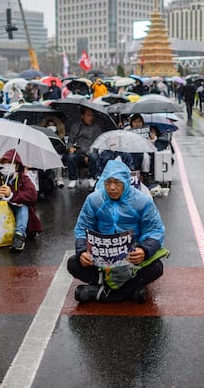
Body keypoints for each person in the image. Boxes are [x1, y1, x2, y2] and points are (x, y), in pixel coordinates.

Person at [67, 159, 166, 303]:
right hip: (101, 258)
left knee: (157, 267)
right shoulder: (93, 200)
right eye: (108, 182)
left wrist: (144, 251)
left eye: (117, 183)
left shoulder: (142, 201)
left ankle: (103, 292)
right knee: (74, 263)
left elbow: (155, 230)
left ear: (126, 183)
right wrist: (83, 252)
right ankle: (129, 291)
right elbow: (83, 228)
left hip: (131, 260)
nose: (112, 187)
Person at [0, 150, 41, 252]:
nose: (7, 166)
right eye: (4, 163)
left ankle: (19, 236)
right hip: (1, 214)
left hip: (18, 213)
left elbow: (32, 196)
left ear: (16, 166)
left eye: (10, 163)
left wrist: (11, 195)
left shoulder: (23, 179)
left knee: (23, 206)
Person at [65, 106, 103, 189]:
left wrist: (87, 154)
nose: (91, 118)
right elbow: (70, 141)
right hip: (78, 152)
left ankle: (92, 177)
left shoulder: (96, 128)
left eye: (92, 116)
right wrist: (70, 147)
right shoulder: (76, 126)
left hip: (91, 152)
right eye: (88, 115)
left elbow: (99, 143)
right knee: (71, 157)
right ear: (82, 116)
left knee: (94, 157)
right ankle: (73, 179)